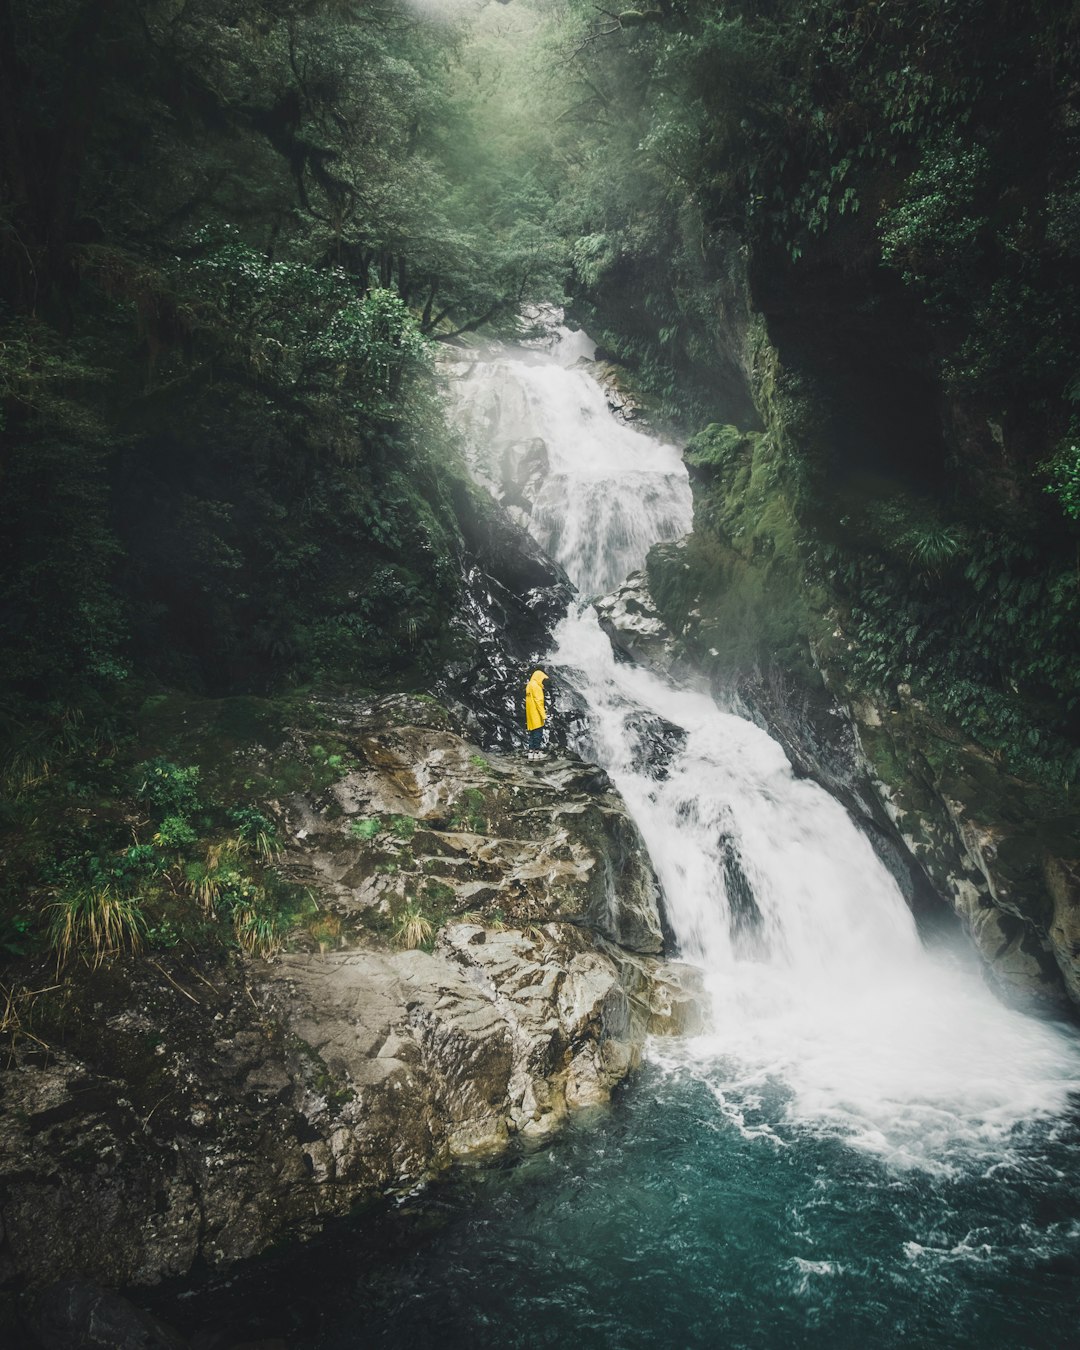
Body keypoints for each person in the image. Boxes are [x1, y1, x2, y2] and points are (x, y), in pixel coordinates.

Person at [525, 668, 549, 760]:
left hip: (530, 714)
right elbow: (539, 702)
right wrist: (543, 715)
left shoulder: (529, 685)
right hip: (536, 714)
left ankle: (530, 752)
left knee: (531, 733)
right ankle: (537, 752)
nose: (542, 680)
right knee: (538, 733)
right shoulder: (536, 687)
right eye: (542, 678)